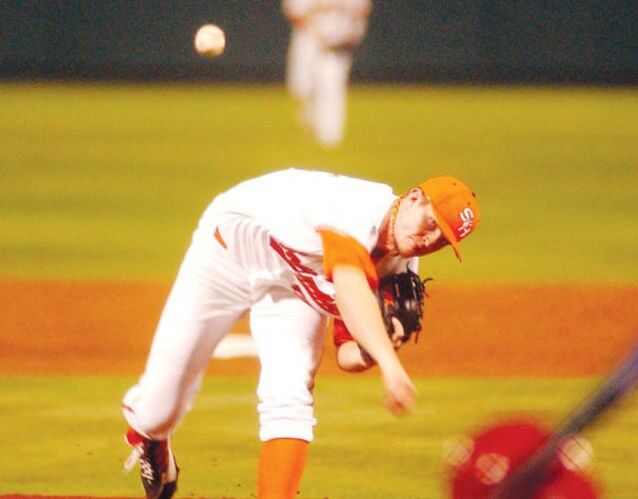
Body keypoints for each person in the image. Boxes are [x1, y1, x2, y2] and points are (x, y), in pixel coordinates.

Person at [122, 168, 480, 498]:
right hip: (226, 258)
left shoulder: (400, 265)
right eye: (430, 223)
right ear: (414, 198)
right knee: (157, 411)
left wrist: (376, 349)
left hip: (291, 287)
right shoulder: (355, 209)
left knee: (290, 394)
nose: (428, 239)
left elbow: (346, 354)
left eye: (442, 240)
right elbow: (351, 284)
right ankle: (149, 435)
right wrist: (390, 365)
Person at [282, 0, 371, 147]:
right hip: (309, 39)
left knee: (332, 87)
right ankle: (312, 124)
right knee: (301, 87)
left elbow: (360, 11)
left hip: (337, 42)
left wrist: (352, 32)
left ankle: (331, 134)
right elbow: (295, 13)